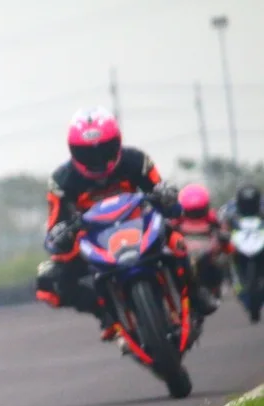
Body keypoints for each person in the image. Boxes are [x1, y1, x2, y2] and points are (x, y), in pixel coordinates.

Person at [35, 106, 218, 341]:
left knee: (178, 241)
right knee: (50, 281)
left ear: (117, 142)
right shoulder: (61, 181)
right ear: (73, 151)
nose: (98, 159)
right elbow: (54, 226)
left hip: (140, 226)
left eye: (105, 149)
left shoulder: (137, 160)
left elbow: (167, 201)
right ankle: (105, 315)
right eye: (87, 153)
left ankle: (194, 291)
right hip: (94, 238)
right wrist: (60, 234)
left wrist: (167, 196)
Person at [171, 183, 232, 297]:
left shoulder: (212, 216)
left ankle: (224, 281)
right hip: (186, 251)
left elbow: (223, 229)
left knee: (223, 258)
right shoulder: (178, 219)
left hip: (208, 250)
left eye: (198, 211)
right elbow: (170, 228)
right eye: (192, 212)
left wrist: (224, 235)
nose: (195, 215)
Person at [219, 183, 264, 306]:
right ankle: (227, 279)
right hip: (239, 239)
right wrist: (224, 231)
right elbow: (221, 222)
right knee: (223, 255)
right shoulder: (229, 208)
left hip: (259, 237)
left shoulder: (262, 205)